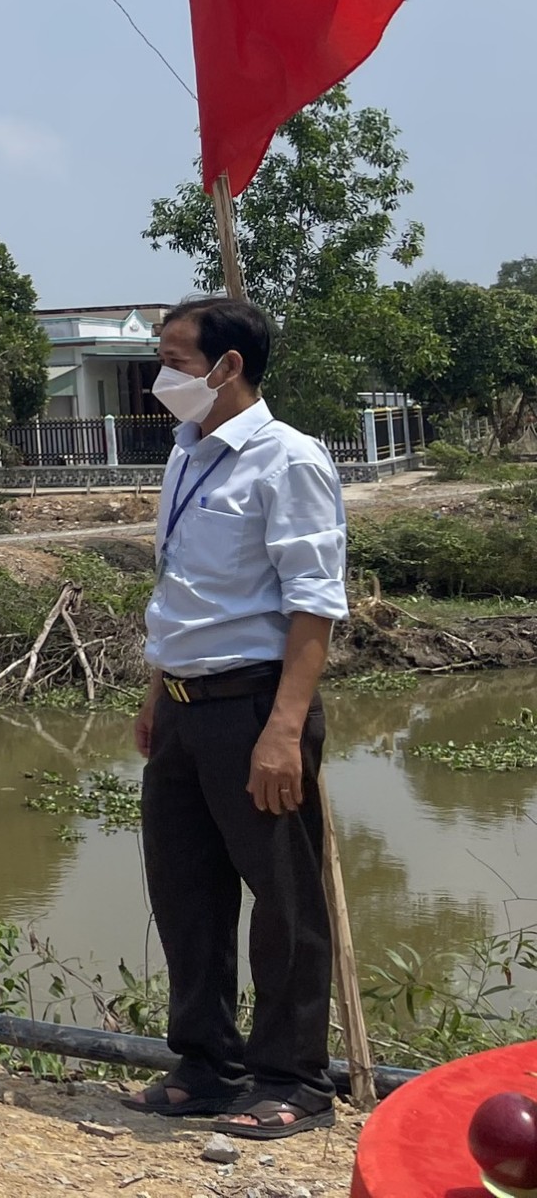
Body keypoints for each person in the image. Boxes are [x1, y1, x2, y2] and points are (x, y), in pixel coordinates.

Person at [121, 296, 348, 1139]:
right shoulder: (186, 453)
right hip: (183, 707)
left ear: (228, 367)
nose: (160, 376)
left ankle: (293, 1080)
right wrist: (157, 692)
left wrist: (284, 731)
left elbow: (314, 607)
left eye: (175, 360)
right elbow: (181, 588)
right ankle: (206, 1065)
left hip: (254, 707)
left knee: (285, 902)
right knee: (185, 890)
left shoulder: (288, 460)